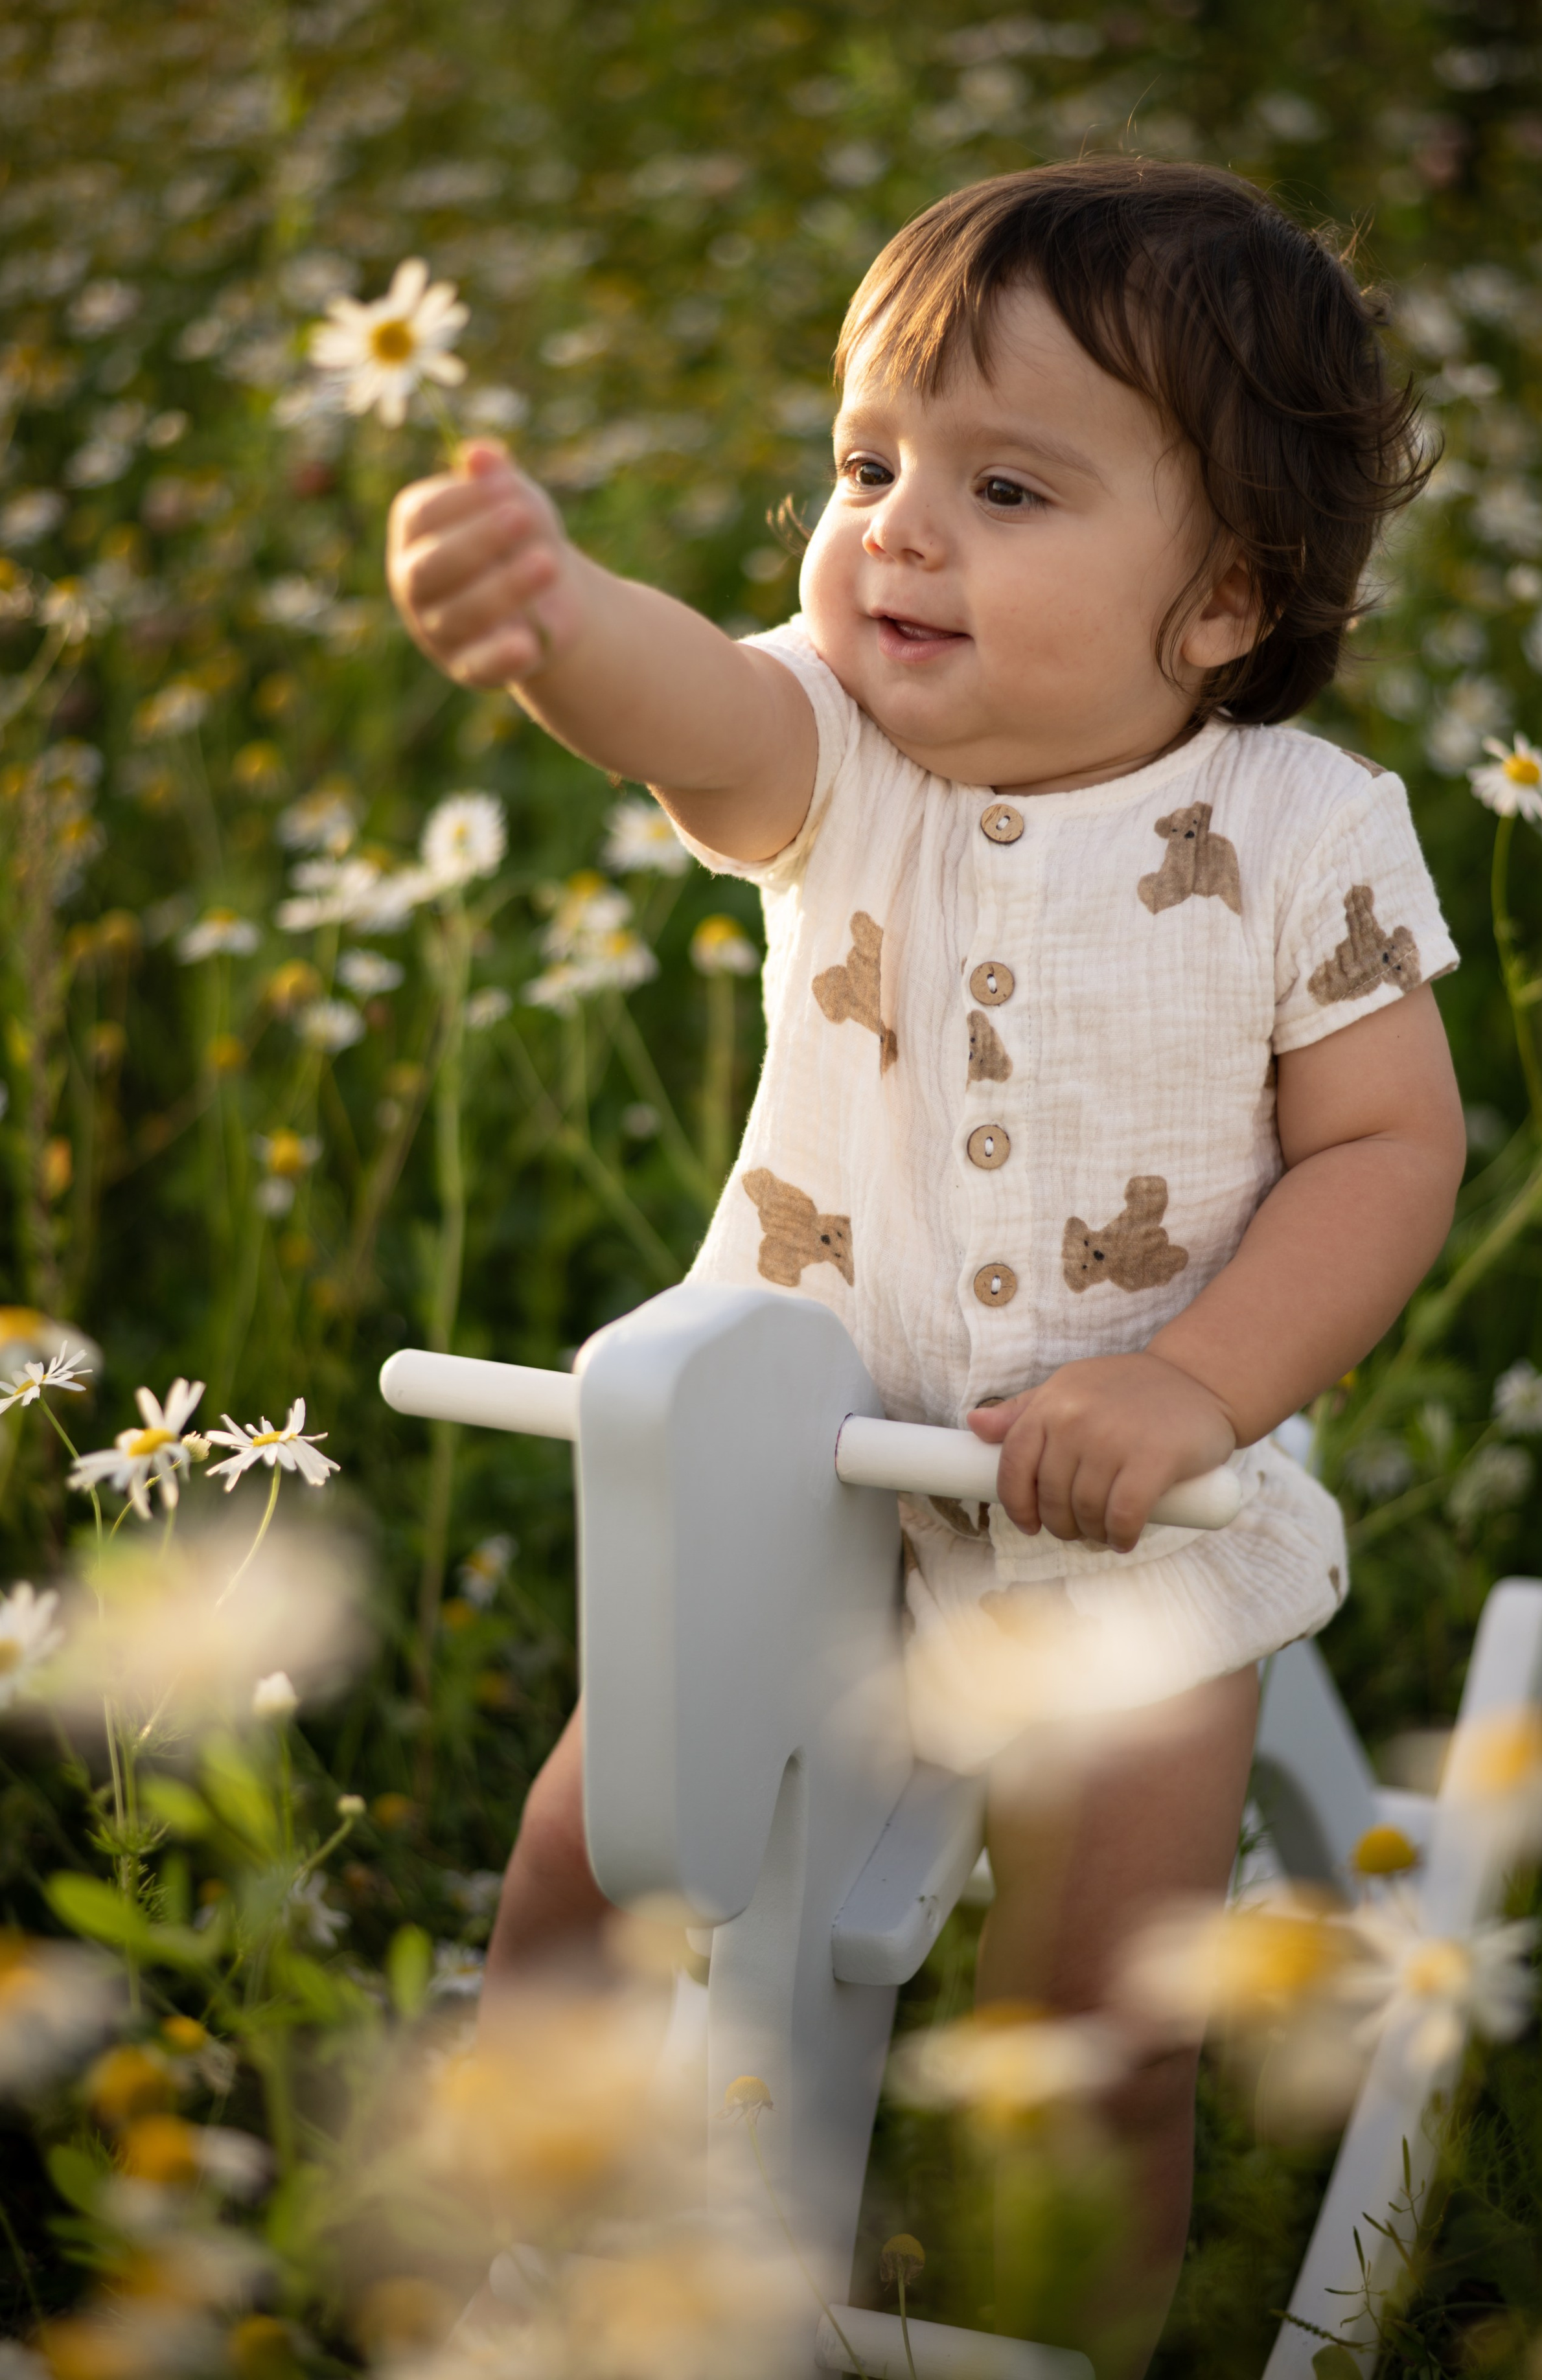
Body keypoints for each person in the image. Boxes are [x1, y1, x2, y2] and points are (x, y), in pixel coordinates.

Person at [387, 157, 1466, 2361]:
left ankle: (1055, 2325)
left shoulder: (1307, 833)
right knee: (590, 1846)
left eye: (1006, 487)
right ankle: (498, 2220)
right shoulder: (843, 748)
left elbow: (1383, 1151)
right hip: (794, 1481)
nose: (896, 529)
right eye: (868, 462)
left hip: (1126, 1521)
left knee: (1098, 2017)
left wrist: (1194, 1388)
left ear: (1226, 602)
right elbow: (692, 708)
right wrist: (558, 618)